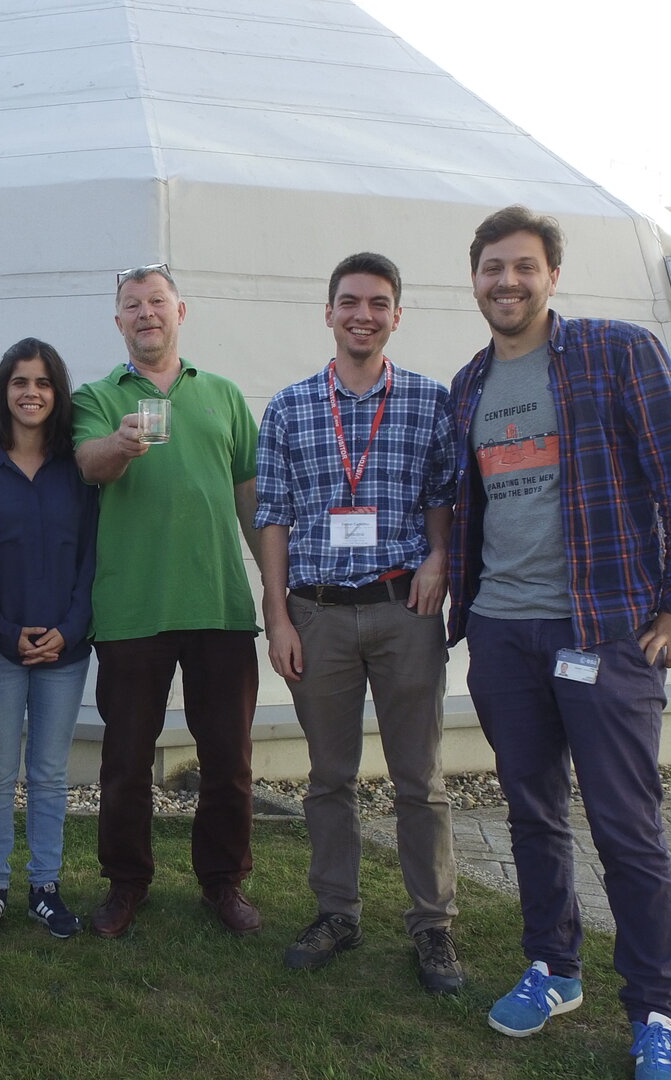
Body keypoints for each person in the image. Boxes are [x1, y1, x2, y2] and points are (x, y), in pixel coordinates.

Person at [448, 207, 671, 1080]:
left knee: (625, 827)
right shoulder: (469, 384)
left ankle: (656, 1012)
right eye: (493, 269)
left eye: (523, 268)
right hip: (502, 633)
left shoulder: (617, 353)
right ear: (476, 278)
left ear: (552, 275)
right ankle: (552, 967)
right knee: (532, 812)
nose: (507, 283)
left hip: (604, 633)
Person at [255, 252, 463, 992]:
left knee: (419, 778)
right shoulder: (288, 408)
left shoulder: (429, 402)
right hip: (319, 615)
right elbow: (273, 517)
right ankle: (337, 911)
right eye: (350, 301)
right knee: (329, 778)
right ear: (329, 311)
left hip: (405, 608)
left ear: (397, 316)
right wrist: (277, 615)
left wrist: (438, 554)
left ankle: (432, 925)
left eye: (378, 303)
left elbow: (444, 491)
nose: (363, 315)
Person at [73, 263, 263, 938]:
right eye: (132, 304)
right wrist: (121, 446)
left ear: (181, 312)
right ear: (118, 321)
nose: (146, 313)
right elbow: (90, 464)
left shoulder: (222, 395)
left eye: (157, 302)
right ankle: (126, 884)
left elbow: (251, 497)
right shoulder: (97, 395)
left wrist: (276, 587)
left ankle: (223, 883)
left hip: (219, 605)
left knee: (230, 761)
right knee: (125, 759)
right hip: (132, 611)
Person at [0, 338, 99, 941]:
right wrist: (7, 633)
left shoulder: (82, 470)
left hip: (66, 649)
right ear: (3, 392)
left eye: (42, 383)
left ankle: (45, 886)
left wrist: (69, 630)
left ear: (57, 393)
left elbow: (94, 558)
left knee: (46, 772)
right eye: (20, 382)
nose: (31, 393)